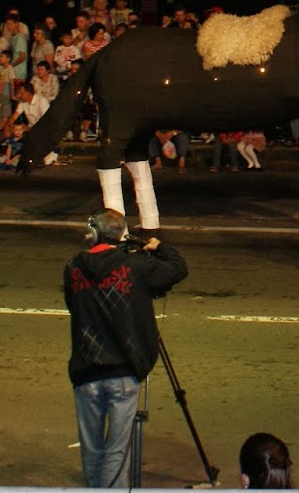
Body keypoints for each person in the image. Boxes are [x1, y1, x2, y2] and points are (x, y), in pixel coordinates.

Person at [64, 208, 189, 488]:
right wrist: (159, 247)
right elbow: (178, 269)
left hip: (86, 369)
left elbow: (73, 305)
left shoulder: (73, 267)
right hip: (123, 370)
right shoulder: (136, 266)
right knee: (117, 450)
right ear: (122, 236)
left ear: (93, 234)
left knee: (91, 447)